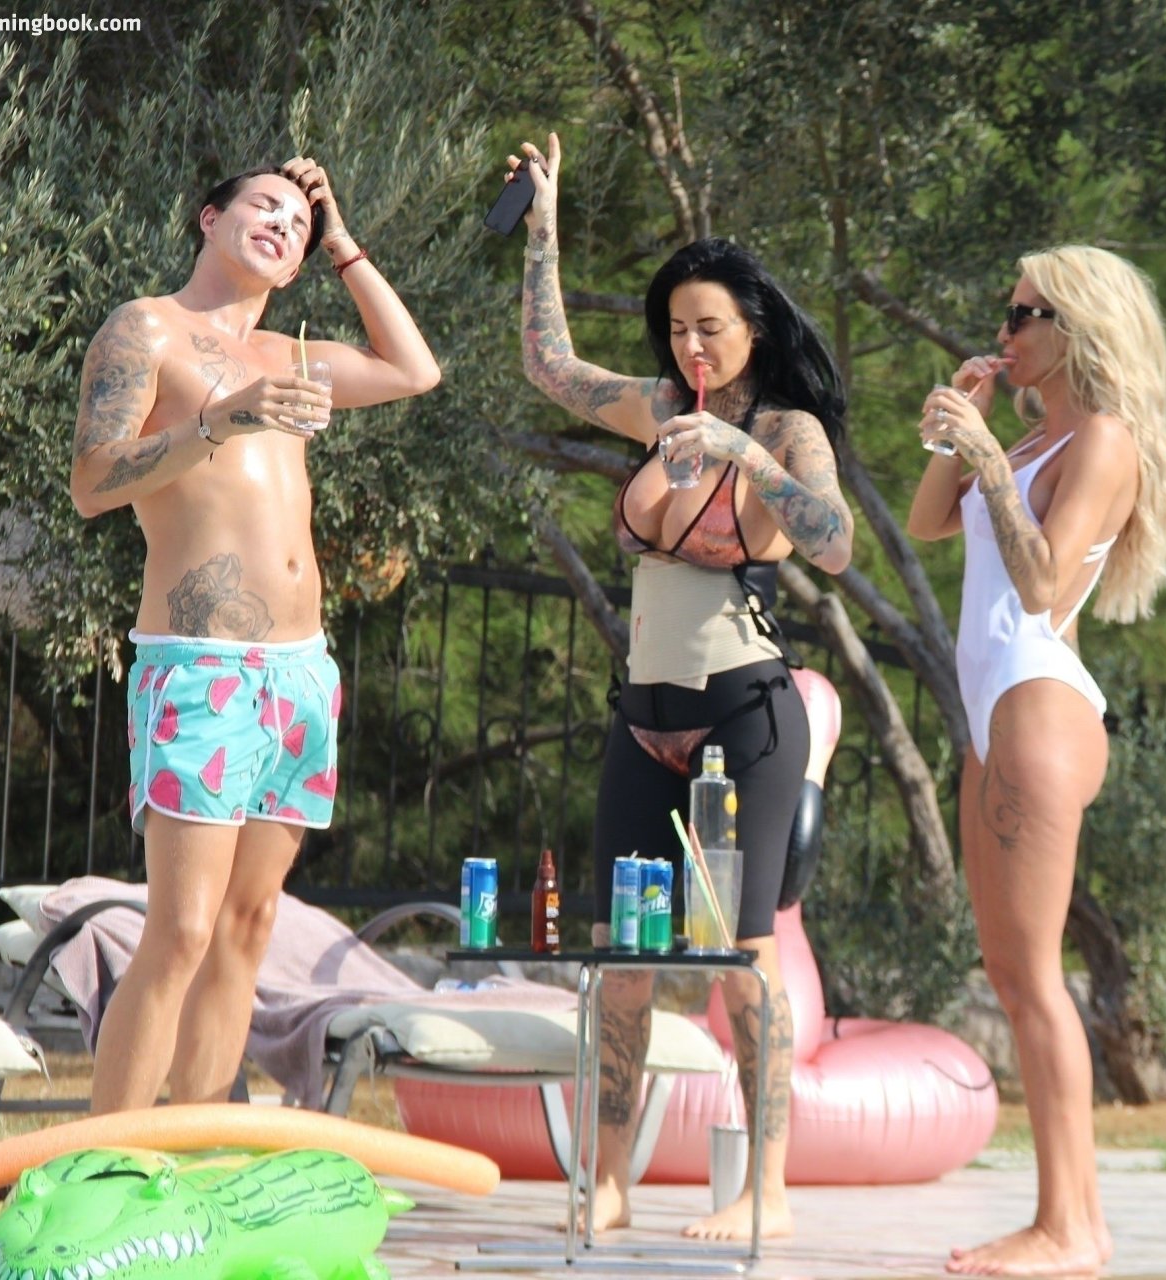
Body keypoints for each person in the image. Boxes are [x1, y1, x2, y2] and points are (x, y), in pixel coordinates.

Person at [512, 133, 854, 1241]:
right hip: (643, 717)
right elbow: (550, 367)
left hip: (745, 714)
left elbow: (834, 542)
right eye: (675, 327)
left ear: (753, 328)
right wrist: (543, 230)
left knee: (740, 957)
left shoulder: (786, 427)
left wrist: (743, 456)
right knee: (620, 960)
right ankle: (608, 1177)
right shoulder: (658, 406)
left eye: (710, 325)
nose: (690, 344)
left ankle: (767, 1188)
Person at [69, 158, 441, 1114]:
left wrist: (343, 237)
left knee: (247, 926)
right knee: (181, 932)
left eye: (297, 224)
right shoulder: (147, 328)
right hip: (201, 666)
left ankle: (199, 1146)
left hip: (300, 675)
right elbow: (92, 483)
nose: (282, 222)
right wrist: (215, 423)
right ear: (210, 218)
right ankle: (104, 1156)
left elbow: (414, 369)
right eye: (263, 206)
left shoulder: (289, 353)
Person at [907, 245, 1166, 1276]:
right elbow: (925, 522)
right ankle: (1066, 1222)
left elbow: (1038, 586)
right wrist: (962, 435)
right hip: (996, 712)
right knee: (1010, 973)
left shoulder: (1103, 438)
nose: (1005, 327)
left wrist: (985, 453)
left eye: (1024, 313)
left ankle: (1069, 1227)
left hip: (1039, 701)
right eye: (1007, 309)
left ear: (1076, 328)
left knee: (1033, 977)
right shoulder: (1032, 437)